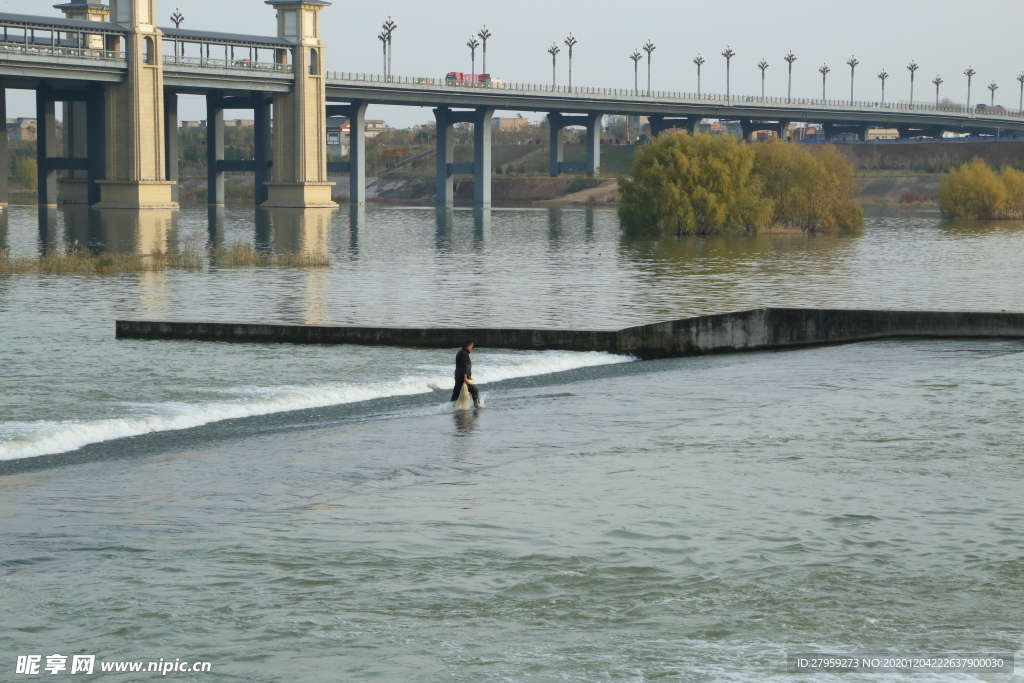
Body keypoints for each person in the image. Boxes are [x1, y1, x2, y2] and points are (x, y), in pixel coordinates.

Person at [451, 341, 480, 407]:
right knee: (475, 391)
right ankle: (477, 406)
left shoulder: (460, 352)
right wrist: (465, 377)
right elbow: (464, 366)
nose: (471, 349)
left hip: (458, 376)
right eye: (471, 347)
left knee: (456, 393)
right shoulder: (464, 354)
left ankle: (451, 406)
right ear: (468, 346)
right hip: (463, 377)